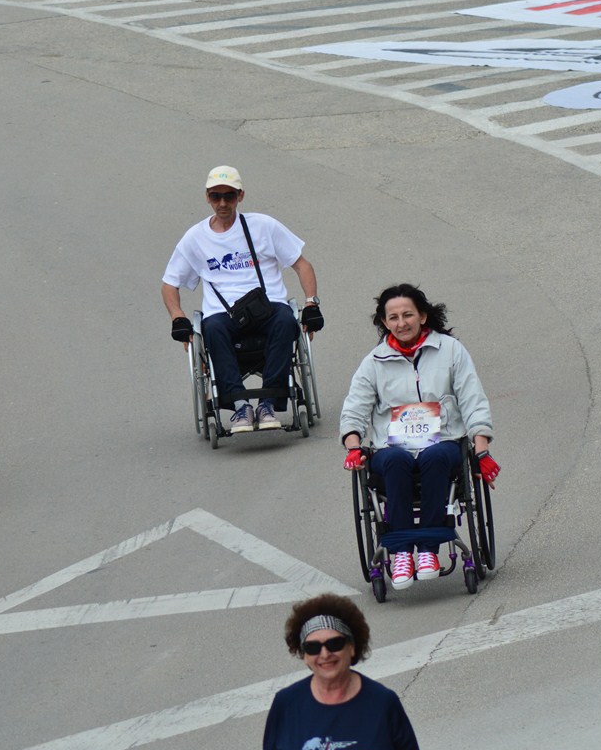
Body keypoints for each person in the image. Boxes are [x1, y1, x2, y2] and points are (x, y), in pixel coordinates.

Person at [340, 284, 499, 590]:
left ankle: (427, 550)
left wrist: (481, 451)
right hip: (391, 448)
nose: (402, 323)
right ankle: (401, 552)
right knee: (395, 461)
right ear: (384, 322)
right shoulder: (374, 362)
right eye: (394, 317)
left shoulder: (450, 350)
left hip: (443, 443)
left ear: (423, 316)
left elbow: (473, 400)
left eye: (408, 315)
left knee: (436, 457)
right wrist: (353, 446)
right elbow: (354, 409)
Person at [161, 165, 323, 432]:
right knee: (212, 328)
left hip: (268, 307)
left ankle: (268, 404)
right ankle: (240, 407)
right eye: (216, 196)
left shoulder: (264, 226)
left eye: (229, 196)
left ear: (240, 196)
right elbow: (170, 284)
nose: (223, 203)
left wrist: (311, 303)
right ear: (207, 197)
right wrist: (178, 317)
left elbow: (302, 265)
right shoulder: (195, 238)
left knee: (286, 321)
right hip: (223, 315)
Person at [262, 593, 419, 750]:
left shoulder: (383, 702)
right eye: (313, 647)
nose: (325, 654)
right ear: (304, 655)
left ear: (351, 647)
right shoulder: (286, 703)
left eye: (335, 643)